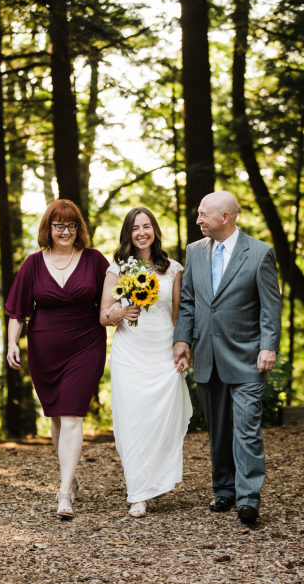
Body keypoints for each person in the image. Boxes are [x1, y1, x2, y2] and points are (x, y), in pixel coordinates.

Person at [173, 191, 281, 525]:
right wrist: (182, 340)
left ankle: (249, 499)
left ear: (226, 217)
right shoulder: (194, 252)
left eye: (203, 214)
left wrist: (269, 345)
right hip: (207, 355)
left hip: (248, 356)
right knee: (218, 431)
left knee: (247, 429)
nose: (198, 220)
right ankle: (225, 490)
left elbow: (270, 305)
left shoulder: (260, 253)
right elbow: (188, 301)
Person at [5, 199, 109, 519]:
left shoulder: (94, 260)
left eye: (71, 225)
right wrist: (12, 344)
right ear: (48, 228)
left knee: (72, 415)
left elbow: (117, 295)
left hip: (86, 343)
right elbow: (17, 311)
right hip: (44, 348)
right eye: (59, 225)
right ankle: (70, 474)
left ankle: (64, 493)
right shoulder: (33, 263)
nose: (65, 231)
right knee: (56, 418)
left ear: (79, 229)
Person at [100, 207, 192, 518]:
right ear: (128, 233)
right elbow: (104, 315)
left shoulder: (173, 269)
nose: (142, 232)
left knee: (163, 420)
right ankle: (137, 492)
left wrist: (182, 349)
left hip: (162, 352)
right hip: (130, 355)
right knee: (132, 422)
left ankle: (158, 479)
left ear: (154, 230)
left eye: (147, 226)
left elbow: (178, 315)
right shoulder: (117, 270)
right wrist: (123, 311)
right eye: (136, 227)